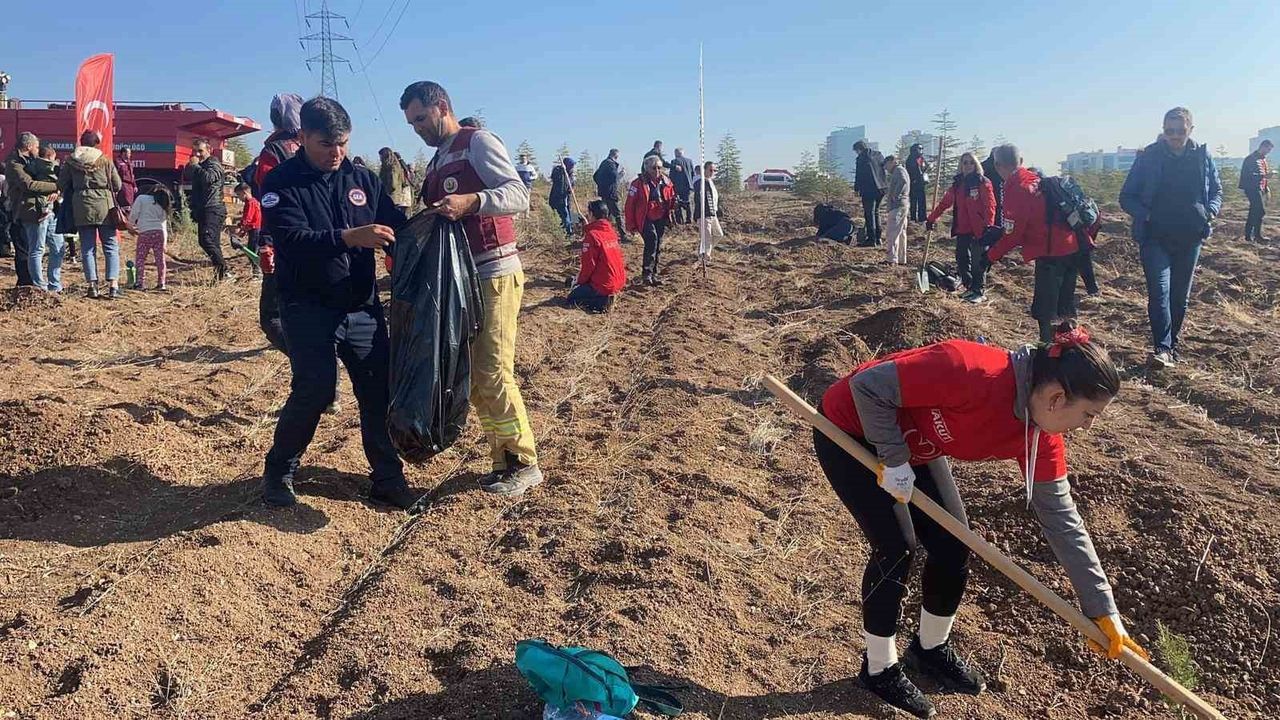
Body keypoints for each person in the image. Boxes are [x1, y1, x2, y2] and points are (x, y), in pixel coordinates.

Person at [816, 323, 1145, 718]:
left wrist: (1102, 609)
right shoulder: (970, 369)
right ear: (1058, 397)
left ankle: (930, 649)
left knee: (954, 545)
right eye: (1089, 414)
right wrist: (894, 456)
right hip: (850, 426)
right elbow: (868, 386)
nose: (1088, 426)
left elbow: (1063, 520)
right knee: (897, 545)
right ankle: (879, 668)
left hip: (913, 445)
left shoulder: (1039, 437)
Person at [257, 96, 418, 510]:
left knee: (376, 392)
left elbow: (397, 226)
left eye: (343, 143)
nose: (336, 152)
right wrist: (350, 237)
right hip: (306, 305)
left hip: (360, 306)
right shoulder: (280, 183)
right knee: (315, 390)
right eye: (326, 144)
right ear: (303, 137)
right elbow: (291, 241)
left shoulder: (363, 179)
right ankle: (279, 471)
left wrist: (430, 224)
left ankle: (387, 477)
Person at [400, 79, 542, 496]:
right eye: (411, 124)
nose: (419, 129)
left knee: (494, 370)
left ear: (442, 106)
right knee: (476, 377)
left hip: (494, 271)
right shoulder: (436, 161)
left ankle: (524, 461)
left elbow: (518, 194)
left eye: (422, 119)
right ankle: (502, 460)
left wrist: (472, 202)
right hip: (461, 280)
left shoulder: (476, 142)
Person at [1118, 107, 1222, 368]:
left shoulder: (1201, 155)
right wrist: (1148, 216)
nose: (1174, 136)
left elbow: (1217, 190)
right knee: (1159, 292)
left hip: (1190, 238)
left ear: (1190, 130)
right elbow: (1126, 196)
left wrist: (1209, 212)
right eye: (1169, 131)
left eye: (1180, 131)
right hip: (1155, 238)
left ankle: (1172, 345)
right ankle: (1162, 348)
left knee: (1179, 298)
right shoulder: (1149, 157)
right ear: (1163, 130)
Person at [986, 144, 1081, 341]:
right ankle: (1073, 353)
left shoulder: (1017, 188)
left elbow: (1014, 235)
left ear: (997, 165)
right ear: (1021, 162)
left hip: (1050, 255)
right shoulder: (1037, 180)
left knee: (1046, 313)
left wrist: (990, 256)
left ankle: (1048, 358)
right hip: (1071, 250)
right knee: (1066, 310)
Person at [252, 93, 305, 353]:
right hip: (315, 238)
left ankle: (310, 363)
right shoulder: (313, 146)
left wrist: (266, 243)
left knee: (271, 316)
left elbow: (269, 201)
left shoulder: (273, 152)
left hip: (282, 240)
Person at [59, 130, 123, 299]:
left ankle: (92, 286)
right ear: (96, 143)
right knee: (110, 246)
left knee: (87, 248)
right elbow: (117, 185)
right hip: (104, 206)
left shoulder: (71, 161)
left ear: (81, 142)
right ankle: (113, 286)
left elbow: (61, 183)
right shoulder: (105, 160)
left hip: (81, 206)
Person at [925, 152, 996, 302]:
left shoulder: (983, 182)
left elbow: (990, 206)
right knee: (962, 258)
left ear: (976, 165)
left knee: (978, 261)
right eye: (965, 162)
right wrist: (931, 218)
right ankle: (969, 285)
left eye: (971, 162)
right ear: (961, 165)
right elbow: (945, 203)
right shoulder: (957, 184)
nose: (968, 165)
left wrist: (988, 226)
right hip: (963, 227)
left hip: (980, 229)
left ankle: (979, 291)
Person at [4, 132, 58, 290]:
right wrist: (56, 186)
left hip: (41, 209)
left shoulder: (32, 161)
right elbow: (29, 185)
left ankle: (48, 284)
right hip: (24, 210)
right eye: (35, 146)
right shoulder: (14, 163)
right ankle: (31, 284)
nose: (37, 149)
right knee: (29, 249)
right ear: (28, 147)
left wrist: (55, 191)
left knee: (49, 247)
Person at [567, 199, 626, 312]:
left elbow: (589, 266)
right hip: (618, 281)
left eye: (588, 213)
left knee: (572, 299)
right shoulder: (611, 232)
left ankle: (602, 303)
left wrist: (579, 282)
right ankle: (607, 296)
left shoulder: (592, 236)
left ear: (592, 214)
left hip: (604, 284)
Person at [625, 154, 676, 286]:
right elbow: (629, 205)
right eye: (654, 168)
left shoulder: (666, 181)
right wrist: (630, 225)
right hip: (645, 218)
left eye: (660, 167)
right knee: (651, 240)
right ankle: (646, 274)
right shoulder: (638, 183)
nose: (657, 171)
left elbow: (671, 197)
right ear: (647, 168)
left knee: (658, 244)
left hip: (661, 216)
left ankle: (654, 274)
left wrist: (673, 207)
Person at [187, 138, 229, 282]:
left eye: (200, 151)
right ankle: (221, 275)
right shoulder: (201, 165)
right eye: (194, 151)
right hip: (205, 209)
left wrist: (196, 167)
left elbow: (209, 179)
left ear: (209, 150)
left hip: (214, 207)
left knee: (207, 240)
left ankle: (224, 268)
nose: (197, 154)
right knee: (211, 243)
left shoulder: (213, 163)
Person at [28, 143, 67, 291]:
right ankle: (41, 286)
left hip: (51, 211)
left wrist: (57, 191)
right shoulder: (46, 168)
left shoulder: (33, 167)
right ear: (51, 156)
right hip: (41, 211)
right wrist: (56, 189)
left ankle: (53, 285)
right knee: (39, 248)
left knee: (55, 247)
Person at [127, 184, 171, 291]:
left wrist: (130, 226)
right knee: (160, 259)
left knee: (141, 259)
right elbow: (163, 225)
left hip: (145, 233)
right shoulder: (162, 204)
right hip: (159, 233)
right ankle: (162, 283)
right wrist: (165, 242)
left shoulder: (142, 198)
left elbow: (134, 214)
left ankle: (139, 283)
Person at [854, 140, 887, 247]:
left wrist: (856, 189)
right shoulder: (878, 155)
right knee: (876, 212)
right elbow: (884, 169)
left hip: (869, 190)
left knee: (869, 213)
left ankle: (871, 239)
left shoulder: (861, 158)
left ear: (859, 149)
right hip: (882, 188)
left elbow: (859, 175)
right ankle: (878, 238)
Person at [1241, 139, 1272, 242]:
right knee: (1259, 210)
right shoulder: (1251, 159)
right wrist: (1264, 176)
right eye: (1267, 149)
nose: (1268, 152)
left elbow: (1264, 177)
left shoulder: (1263, 160)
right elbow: (1250, 175)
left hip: (1260, 188)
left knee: (1255, 211)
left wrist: (1266, 188)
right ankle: (1253, 235)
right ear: (1263, 146)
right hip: (1251, 188)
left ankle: (1252, 236)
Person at [693, 160, 724, 260]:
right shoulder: (699, 182)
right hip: (704, 214)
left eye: (714, 170)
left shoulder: (711, 182)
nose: (712, 172)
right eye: (710, 170)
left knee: (719, 234)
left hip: (713, 214)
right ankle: (705, 257)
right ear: (704, 170)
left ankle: (702, 252)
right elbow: (698, 197)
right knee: (707, 238)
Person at [883, 155, 910, 265]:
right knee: (901, 233)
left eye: (886, 165)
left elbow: (903, 181)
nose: (885, 168)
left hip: (897, 206)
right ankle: (901, 259)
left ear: (892, 161)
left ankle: (891, 259)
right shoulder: (901, 170)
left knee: (892, 233)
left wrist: (895, 195)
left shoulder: (899, 170)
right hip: (903, 205)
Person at [593, 149, 625, 239]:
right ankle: (623, 235)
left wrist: (601, 185)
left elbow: (595, 176)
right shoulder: (611, 164)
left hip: (604, 193)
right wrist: (621, 175)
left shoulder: (603, 163)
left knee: (606, 215)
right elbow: (615, 177)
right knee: (618, 214)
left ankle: (605, 233)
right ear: (616, 156)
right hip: (611, 193)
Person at [233, 183, 263, 278]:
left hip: (255, 229)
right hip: (255, 229)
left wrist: (240, 227)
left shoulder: (250, 203)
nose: (239, 197)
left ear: (244, 192)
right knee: (254, 250)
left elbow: (248, 218)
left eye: (239, 195)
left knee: (252, 252)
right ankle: (257, 271)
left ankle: (257, 273)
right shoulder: (254, 201)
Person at [379, 146, 413, 214]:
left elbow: (393, 184)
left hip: (392, 198)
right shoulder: (395, 167)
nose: (380, 159)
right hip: (394, 198)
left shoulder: (392, 168)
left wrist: (385, 189)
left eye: (381, 156)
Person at [549, 157, 575, 237]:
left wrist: (571, 189)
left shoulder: (570, 174)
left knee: (567, 215)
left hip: (566, 199)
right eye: (572, 165)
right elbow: (555, 178)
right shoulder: (558, 171)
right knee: (564, 215)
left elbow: (571, 185)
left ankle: (568, 232)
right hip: (558, 198)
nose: (573, 167)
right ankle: (568, 233)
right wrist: (562, 171)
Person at [669, 148, 696, 225]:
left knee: (678, 203)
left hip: (678, 186)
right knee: (688, 203)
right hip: (688, 186)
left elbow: (672, 175)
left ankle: (679, 220)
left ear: (676, 153)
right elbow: (693, 173)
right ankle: (689, 219)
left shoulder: (674, 162)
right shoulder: (689, 161)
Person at [905, 143, 929, 223]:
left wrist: (928, 168)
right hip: (914, 183)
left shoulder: (921, 158)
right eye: (919, 149)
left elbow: (925, 168)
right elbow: (915, 171)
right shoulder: (911, 159)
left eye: (922, 149)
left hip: (921, 183)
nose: (921, 151)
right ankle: (913, 218)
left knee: (922, 201)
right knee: (914, 201)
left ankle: (922, 218)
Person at [981, 149, 1005, 227]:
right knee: (998, 214)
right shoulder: (1001, 165)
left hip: (986, 194)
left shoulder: (982, 165)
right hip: (998, 192)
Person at [114, 147, 137, 214]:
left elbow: (132, 175)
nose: (130, 155)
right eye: (128, 153)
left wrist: (134, 185)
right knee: (125, 203)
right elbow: (116, 174)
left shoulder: (130, 163)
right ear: (123, 153)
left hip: (130, 187)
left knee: (130, 205)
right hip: (123, 185)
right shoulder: (118, 162)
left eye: (130, 153)